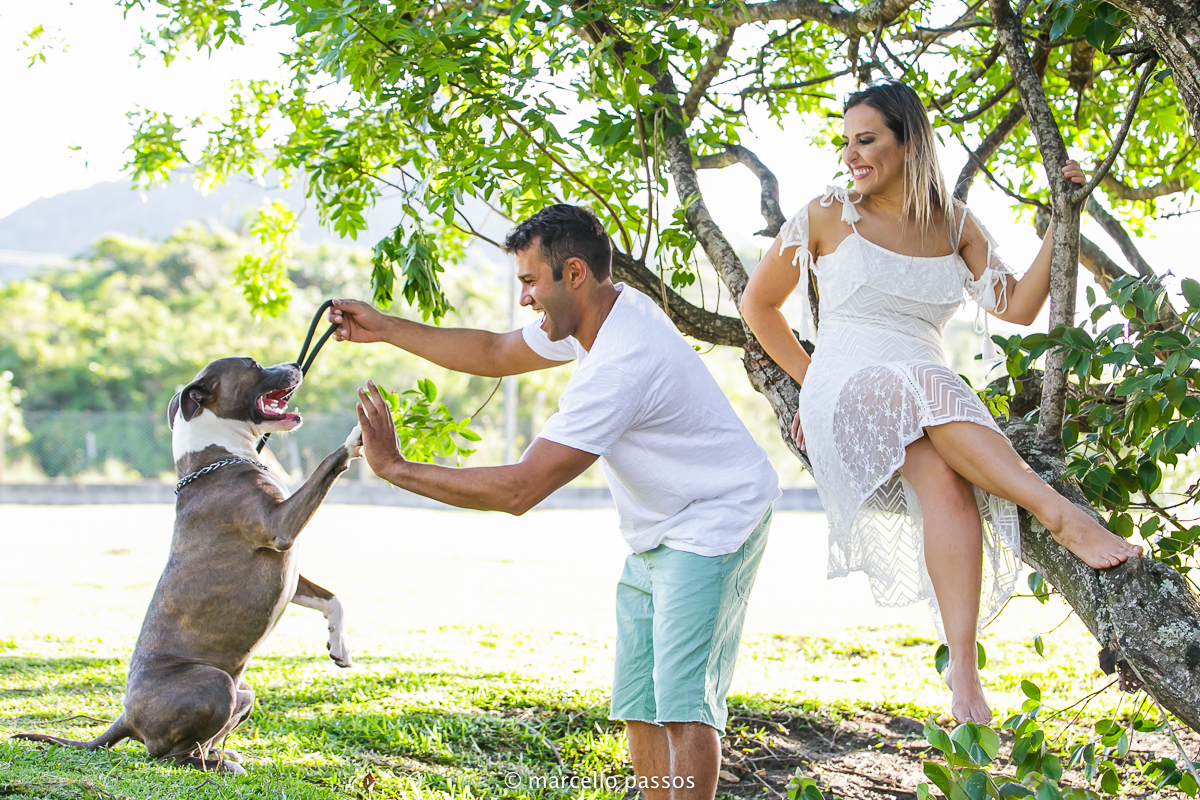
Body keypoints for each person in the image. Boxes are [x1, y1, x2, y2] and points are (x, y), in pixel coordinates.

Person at [329, 204, 780, 800]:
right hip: (657, 527)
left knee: (681, 703)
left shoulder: (622, 362)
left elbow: (520, 489)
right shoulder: (599, 317)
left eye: (529, 282)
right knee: (639, 702)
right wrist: (384, 326)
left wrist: (395, 468)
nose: (524, 299)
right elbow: (492, 352)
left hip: (717, 517)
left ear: (573, 274)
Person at [740, 79, 1142, 724]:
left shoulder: (956, 224)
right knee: (926, 383)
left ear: (910, 142)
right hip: (844, 383)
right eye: (846, 143)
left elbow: (1017, 305)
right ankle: (1059, 513)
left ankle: (963, 669)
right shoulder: (826, 213)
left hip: (925, 390)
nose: (851, 155)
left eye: (866, 140)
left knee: (945, 483)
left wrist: (1064, 219)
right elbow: (757, 306)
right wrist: (809, 380)